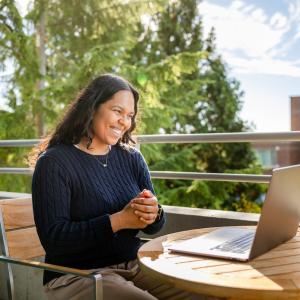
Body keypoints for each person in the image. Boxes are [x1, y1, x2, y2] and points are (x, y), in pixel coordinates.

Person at [30, 74, 205, 300]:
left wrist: (153, 212)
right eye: (117, 111)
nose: (125, 121)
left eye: (130, 115)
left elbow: (155, 225)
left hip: (134, 265)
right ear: (92, 109)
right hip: (76, 275)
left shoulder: (131, 157)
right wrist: (118, 221)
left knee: (201, 292)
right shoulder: (54, 163)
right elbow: (55, 240)